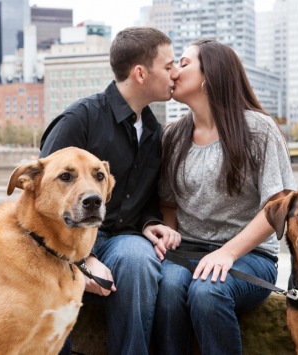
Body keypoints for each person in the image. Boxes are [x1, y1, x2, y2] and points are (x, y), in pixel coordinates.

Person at [39, 27, 181, 355]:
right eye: (169, 65)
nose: (175, 73)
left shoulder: (154, 132)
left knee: (137, 259)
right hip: (65, 241)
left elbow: (140, 200)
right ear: (141, 73)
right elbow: (40, 198)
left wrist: (148, 222)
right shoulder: (80, 119)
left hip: (120, 240)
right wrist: (83, 259)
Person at [152, 39, 297, 354]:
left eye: (184, 63)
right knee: (168, 287)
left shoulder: (259, 130)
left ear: (210, 76)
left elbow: (279, 203)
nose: (174, 71)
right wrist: (169, 231)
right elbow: (167, 201)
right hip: (187, 251)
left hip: (250, 255)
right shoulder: (172, 135)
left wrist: (228, 253)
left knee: (208, 292)